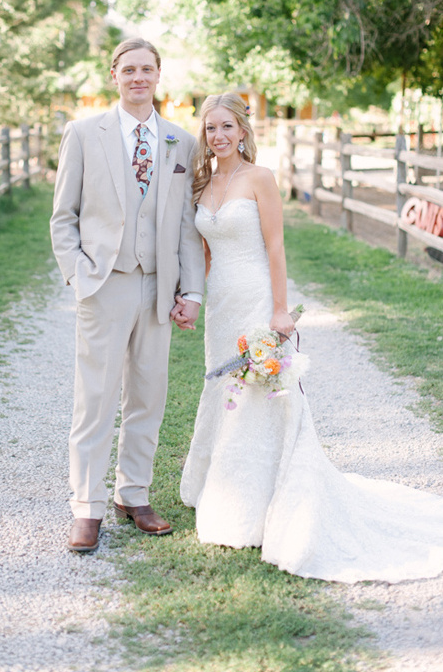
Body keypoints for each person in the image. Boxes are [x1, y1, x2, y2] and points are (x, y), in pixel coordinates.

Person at [179, 92, 443, 583]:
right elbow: (205, 253)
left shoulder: (260, 179)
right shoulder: (201, 182)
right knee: (226, 390)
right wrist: (193, 295)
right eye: (210, 128)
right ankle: (224, 494)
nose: (218, 136)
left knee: (264, 393)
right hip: (222, 307)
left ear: (242, 131)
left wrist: (280, 310)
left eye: (226, 127)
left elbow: (275, 247)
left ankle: (263, 506)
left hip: (258, 297)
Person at [50, 38, 205, 553]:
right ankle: (86, 507)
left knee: (147, 395)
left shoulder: (179, 142)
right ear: (113, 75)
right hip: (104, 281)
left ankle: (132, 494)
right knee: (94, 399)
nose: (138, 77)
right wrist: (78, 274)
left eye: (147, 69)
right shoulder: (83, 133)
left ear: (159, 76)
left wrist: (191, 291)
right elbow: (63, 216)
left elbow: (186, 226)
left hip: (157, 286)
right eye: (129, 69)